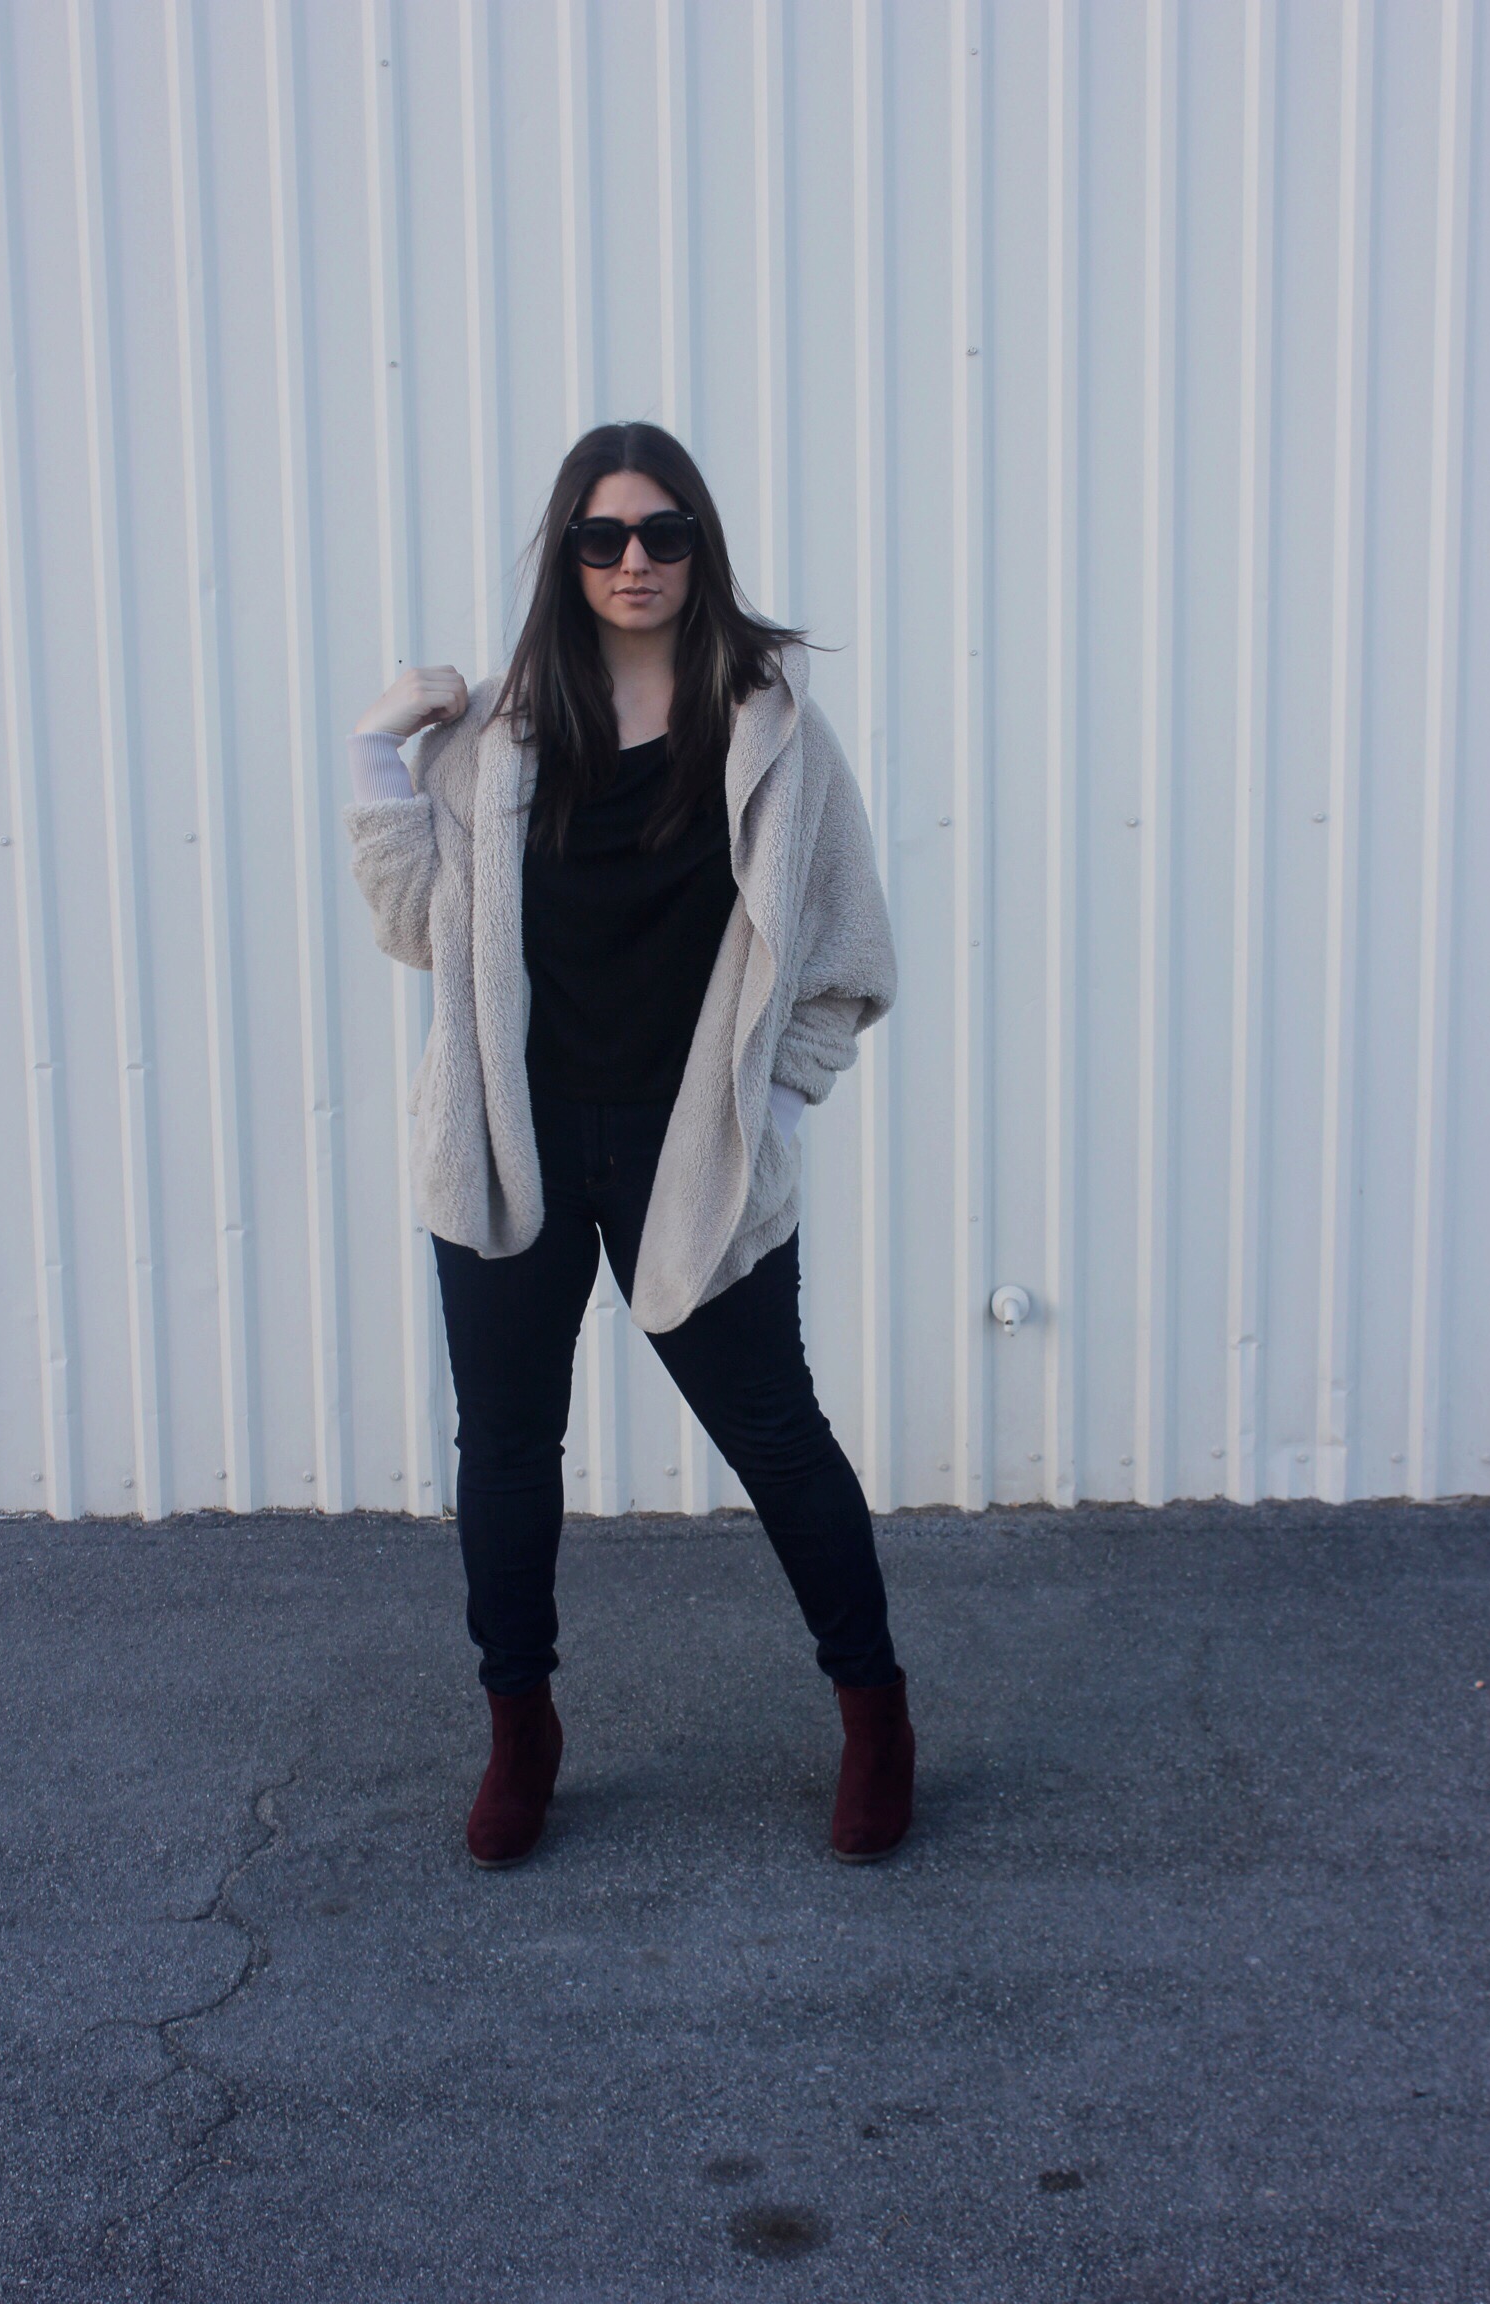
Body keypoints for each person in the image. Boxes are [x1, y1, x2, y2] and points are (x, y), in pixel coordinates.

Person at [343, 420, 913, 1871]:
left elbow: (843, 957)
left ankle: (875, 1717)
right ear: (568, 556)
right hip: (511, 1140)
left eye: (663, 533)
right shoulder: (496, 739)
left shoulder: (773, 733)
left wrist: (771, 1114)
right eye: (602, 537)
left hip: (692, 1148)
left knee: (777, 1436)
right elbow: (420, 933)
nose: (634, 561)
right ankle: (519, 1728)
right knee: (506, 1450)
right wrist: (376, 754)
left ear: (699, 547)